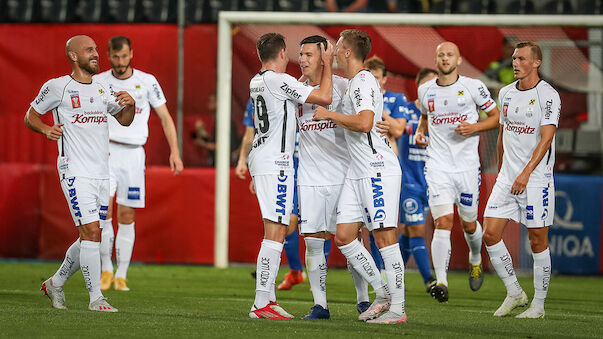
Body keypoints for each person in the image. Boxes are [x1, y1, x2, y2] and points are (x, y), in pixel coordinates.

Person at [26, 35, 135, 312]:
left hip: (101, 173)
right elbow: (31, 116)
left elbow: (124, 120)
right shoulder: (57, 87)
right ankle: (96, 298)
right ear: (73, 56)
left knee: (91, 234)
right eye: (89, 50)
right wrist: (46, 129)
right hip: (75, 171)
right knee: (91, 232)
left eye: (96, 50)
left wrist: (130, 105)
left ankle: (55, 283)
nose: (96, 54)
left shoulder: (102, 88)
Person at [313, 29, 406, 324]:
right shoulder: (355, 82)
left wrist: (329, 115)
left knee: (384, 237)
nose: (335, 50)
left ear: (348, 51)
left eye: (337, 46)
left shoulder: (364, 80)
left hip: (376, 167)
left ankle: (398, 309)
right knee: (344, 236)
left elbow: (366, 122)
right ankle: (381, 292)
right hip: (358, 169)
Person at [246, 32, 334, 319]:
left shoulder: (257, 80)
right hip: (277, 161)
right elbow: (325, 97)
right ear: (283, 53)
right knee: (276, 232)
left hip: (263, 157)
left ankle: (268, 298)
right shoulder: (278, 80)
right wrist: (329, 64)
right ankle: (261, 304)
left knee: (278, 229)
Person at [94, 35, 183, 292]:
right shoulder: (100, 81)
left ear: (131, 53)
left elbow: (165, 117)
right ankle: (106, 270)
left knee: (126, 215)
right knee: (104, 213)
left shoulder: (147, 81)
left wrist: (175, 152)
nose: (120, 62)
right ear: (108, 55)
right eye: (115, 57)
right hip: (106, 152)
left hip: (134, 154)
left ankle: (121, 274)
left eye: (124, 56)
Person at [415, 41, 500, 302]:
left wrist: (474, 128)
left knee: (469, 224)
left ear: (458, 59)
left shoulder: (473, 87)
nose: (445, 58)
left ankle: (475, 258)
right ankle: (441, 282)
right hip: (437, 166)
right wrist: (421, 131)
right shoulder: (425, 90)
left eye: (450, 54)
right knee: (443, 221)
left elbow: (496, 117)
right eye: (441, 54)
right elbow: (425, 116)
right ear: (436, 58)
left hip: (466, 168)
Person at [483, 41, 560, 319]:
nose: (515, 63)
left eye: (522, 59)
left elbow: (547, 138)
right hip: (507, 178)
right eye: (514, 58)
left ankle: (538, 305)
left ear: (536, 63)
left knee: (538, 241)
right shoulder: (504, 93)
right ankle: (515, 292)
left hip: (536, 179)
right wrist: (502, 168)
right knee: (490, 233)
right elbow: (504, 133)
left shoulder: (548, 95)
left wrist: (526, 173)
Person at [295, 35, 352, 319]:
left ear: (324, 55)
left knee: (351, 239)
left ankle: (364, 300)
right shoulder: (294, 89)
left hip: (343, 176)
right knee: (313, 241)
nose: (302, 59)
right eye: (300, 54)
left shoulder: (345, 87)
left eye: (308, 54)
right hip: (309, 177)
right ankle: (320, 305)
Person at [235, 99, 307, 290]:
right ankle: (293, 271)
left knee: (316, 225)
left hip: (307, 164)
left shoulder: (292, 94)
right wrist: (244, 160)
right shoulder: (254, 101)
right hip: (280, 166)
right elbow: (251, 135)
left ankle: (314, 274)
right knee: (285, 221)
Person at [364, 56, 408, 274]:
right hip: (365, 164)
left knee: (387, 224)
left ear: (384, 79)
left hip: (389, 165)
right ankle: (378, 272)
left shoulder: (396, 99)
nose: (372, 81)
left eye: (376, 78)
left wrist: (377, 105)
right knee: (371, 225)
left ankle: (389, 272)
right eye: (368, 77)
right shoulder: (357, 98)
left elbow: (398, 130)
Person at [396, 68, 439, 292]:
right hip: (409, 182)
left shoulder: (441, 116)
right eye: (427, 84)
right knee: (417, 230)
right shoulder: (405, 110)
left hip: (432, 183)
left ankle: (392, 276)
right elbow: (396, 129)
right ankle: (429, 280)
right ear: (419, 86)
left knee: (409, 231)